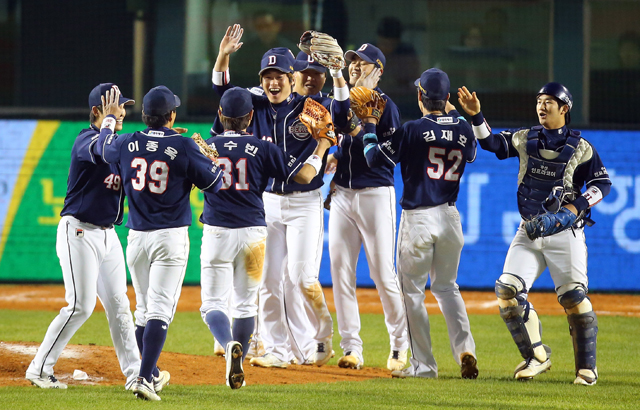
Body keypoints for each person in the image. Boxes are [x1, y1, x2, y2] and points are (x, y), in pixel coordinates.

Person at [212, 24, 350, 368]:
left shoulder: (311, 107)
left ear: (293, 76)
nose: (273, 83)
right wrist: (223, 56)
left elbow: (343, 119)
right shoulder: (253, 103)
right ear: (261, 79)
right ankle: (279, 350)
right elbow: (223, 94)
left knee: (302, 277)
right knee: (269, 282)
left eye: (279, 76)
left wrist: (338, 77)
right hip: (269, 203)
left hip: (305, 201)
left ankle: (322, 335)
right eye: (267, 76)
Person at [457, 82, 612, 385]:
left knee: (574, 298)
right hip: (529, 229)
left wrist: (575, 207)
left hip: (566, 232)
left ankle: (586, 369)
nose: (542, 107)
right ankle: (537, 356)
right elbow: (491, 143)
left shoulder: (581, 148)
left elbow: (602, 184)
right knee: (507, 292)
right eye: (539, 101)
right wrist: (476, 116)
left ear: (564, 109)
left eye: (549, 102)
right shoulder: (525, 138)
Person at [95, 85, 223, 400]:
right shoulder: (183, 144)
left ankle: (150, 372)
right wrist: (212, 162)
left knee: (144, 309)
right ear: (172, 116)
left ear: (145, 116)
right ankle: (143, 378)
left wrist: (109, 121)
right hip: (170, 236)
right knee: (160, 310)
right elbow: (215, 185)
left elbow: (103, 147)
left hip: (136, 238)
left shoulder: (127, 142)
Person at [200, 87, 334, 388]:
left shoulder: (206, 146)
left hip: (217, 231)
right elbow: (304, 177)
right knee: (247, 305)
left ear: (221, 116)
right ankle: (240, 362)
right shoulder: (263, 148)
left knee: (212, 305)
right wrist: (321, 147)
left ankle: (227, 343)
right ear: (250, 117)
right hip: (254, 233)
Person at [362, 68, 479, 379]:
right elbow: (471, 153)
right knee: (447, 287)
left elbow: (374, 158)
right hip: (451, 218)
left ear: (419, 97)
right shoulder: (464, 129)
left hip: (418, 219)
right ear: (448, 98)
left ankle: (425, 366)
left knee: (412, 292)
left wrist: (370, 125)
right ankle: (466, 350)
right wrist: (456, 113)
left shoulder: (413, 129)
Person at [25, 84, 142, 390]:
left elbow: (130, 154)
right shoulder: (85, 138)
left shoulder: (119, 144)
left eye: (123, 107)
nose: (121, 112)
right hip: (78, 231)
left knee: (119, 305)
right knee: (81, 304)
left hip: (108, 235)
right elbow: (101, 149)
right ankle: (39, 368)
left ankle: (136, 375)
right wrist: (107, 123)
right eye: (114, 107)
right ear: (96, 112)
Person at [325, 43, 408, 371]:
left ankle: (400, 346)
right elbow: (341, 132)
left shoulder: (387, 107)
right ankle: (351, 348)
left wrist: (362, 132)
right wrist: (336, 154)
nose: (355, 67)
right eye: (352, 63)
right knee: (340, 271)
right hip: (344, 194)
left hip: (376, 194)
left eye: (362, 63)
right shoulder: (340, 100)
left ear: (379, 69)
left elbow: (387, 158)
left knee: (382, 273)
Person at [375, 17, 421, 118]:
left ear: (397, 42)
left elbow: (413, 78)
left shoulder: (406, 53)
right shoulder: (369, 52)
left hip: (403, 102)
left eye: (390, 44)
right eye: (383, 43)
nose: (386, 47)